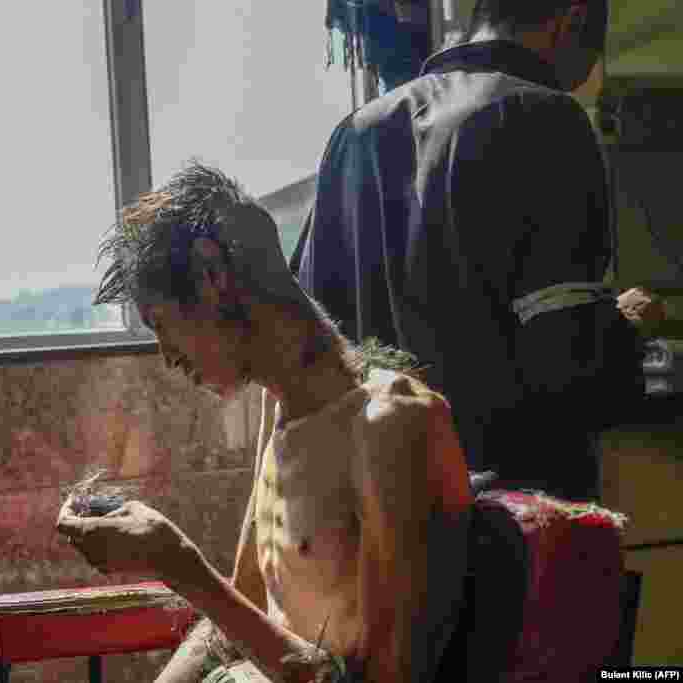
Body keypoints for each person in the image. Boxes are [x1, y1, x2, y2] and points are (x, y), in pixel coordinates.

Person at [57, 163, 503, 683]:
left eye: (163, 325)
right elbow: (234, 619)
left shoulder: (393, 427)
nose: (167, 356)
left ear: (210, 275)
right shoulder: (283, 412)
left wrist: (177, 564)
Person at [291, 0, 643, 502]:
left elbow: (313, 341)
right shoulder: (545, 116)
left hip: (382, 518)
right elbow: (571, 371)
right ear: (573, 19)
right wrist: (623, 326)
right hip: (511, 531)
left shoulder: (354, 135)